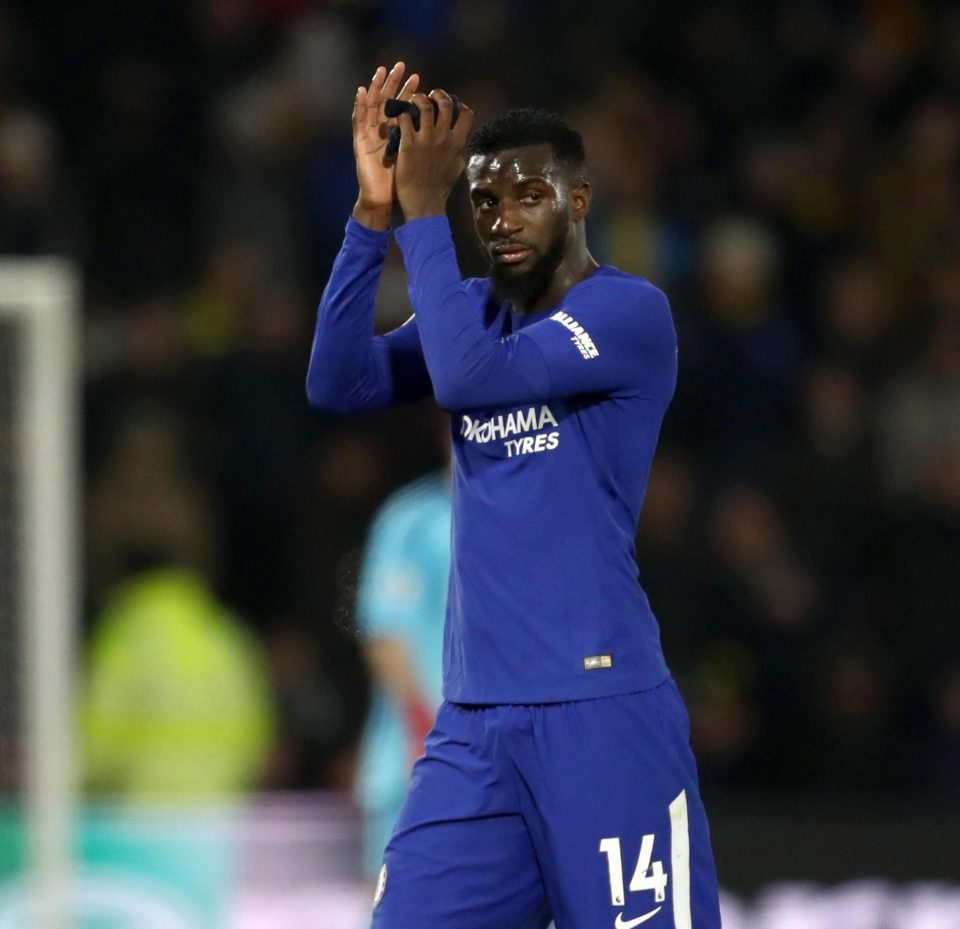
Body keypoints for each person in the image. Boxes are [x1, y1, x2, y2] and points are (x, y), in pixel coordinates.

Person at [307, 62, 721, 929]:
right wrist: (374, 216)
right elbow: (337, 381)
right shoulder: (474, 311)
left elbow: (467, 379)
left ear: (578, 201)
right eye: (484, 200)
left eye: (527, 194)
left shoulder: (627, 313)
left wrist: (426, 216)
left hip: (599, 715)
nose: (502, 218)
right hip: (474, 726)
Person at [354, 468, 451, 880]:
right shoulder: (410, 518)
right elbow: (385, 636)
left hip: (500, 763)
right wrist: (424, 733)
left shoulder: (533, 508)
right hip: (413, 762)